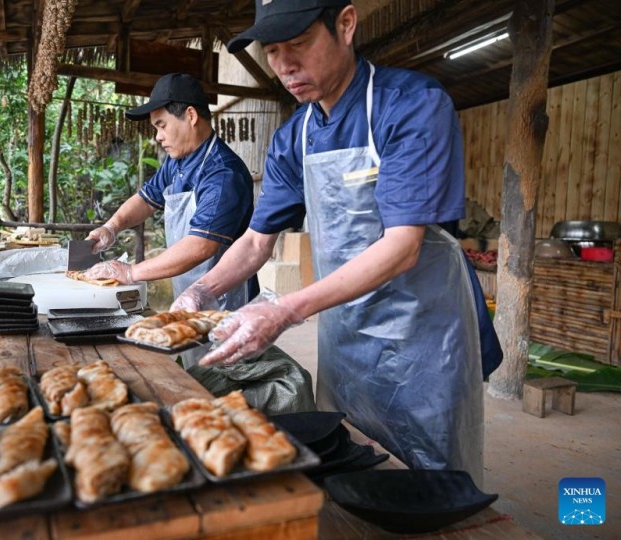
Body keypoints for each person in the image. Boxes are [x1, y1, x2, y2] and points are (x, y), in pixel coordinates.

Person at [171, 0, 502, 485]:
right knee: (350, 459)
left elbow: (403, 246)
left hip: (424, 335)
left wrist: (285, 310)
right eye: (274, 50)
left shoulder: (410, 105)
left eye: (299, 44)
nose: (284, 65)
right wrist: (202, 290)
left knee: (433, 476)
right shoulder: (295, 137)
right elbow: (256, 241)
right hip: (346, 329)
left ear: (346, 25)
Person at [86, 73, 258, 366]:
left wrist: (131, 273)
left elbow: (200, 247)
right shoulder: (177, 163)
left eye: (161, 125)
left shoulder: (222, 173)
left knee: (224, 384)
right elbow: (146, 198)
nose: (158, 136)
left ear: (190, 115)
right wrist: (111, 227)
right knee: (195, 376)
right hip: (188, 299)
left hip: (224, 305)